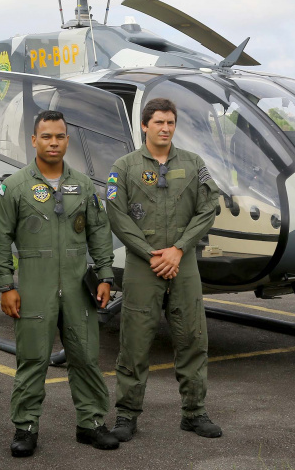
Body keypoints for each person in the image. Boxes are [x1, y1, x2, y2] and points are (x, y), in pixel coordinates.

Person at [0, 110, 119, 457]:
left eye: (59, 136)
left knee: (86, 356)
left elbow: (98, 232)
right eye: (46, 136)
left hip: (78, 286)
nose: (53, 142)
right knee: (32, 359)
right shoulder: (14, 187)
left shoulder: (83, 184)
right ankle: (26, 427)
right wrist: (6, 285)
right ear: (34, 140)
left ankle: (91, 423)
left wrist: (105, 276)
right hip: (34, 286)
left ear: (67, 140)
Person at [105, 98, 222, 443]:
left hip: (182, 263)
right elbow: (117, 214)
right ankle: (126, 415)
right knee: (135, 341)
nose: (165, 128)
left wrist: (178, 249)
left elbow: (208, 208)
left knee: (193, 339)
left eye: (170, 122)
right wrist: (149, 253)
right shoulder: (123, 167)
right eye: (158, 122)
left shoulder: (193, 163)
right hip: (144, 264)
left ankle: (194, 413)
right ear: (144, 125)